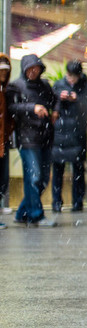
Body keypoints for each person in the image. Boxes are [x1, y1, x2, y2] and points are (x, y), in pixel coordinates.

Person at [8, 54, 58, 227]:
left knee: (43, 178)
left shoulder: (44, 86)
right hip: (27, 139)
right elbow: (11, 107)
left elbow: (55, 100)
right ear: (24, 69)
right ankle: (36, 215)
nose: (33, 71)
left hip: (45, 138)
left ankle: (22, 213)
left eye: (36, 68)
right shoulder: (16, 86)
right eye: (30, 68)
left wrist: (55, 111)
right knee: (34, 176)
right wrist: (32, 108)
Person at [51, 60, 87, 212]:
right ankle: (56, 202)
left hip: (77, 133)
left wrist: (77, 100)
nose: (71, 79)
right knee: (58, 169)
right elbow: (51, 103)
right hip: (59, 133)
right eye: (69, 76)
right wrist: (59, 97)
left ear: (79, 75)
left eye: (74, 76)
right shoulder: (58, 85)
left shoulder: (86, 86)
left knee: (78, 170)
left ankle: (78, 202)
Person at [0, 53, 13, 224]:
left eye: (5, 71)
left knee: (3, 180)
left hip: (3, 142)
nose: (3, 74)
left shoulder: (4, 90)